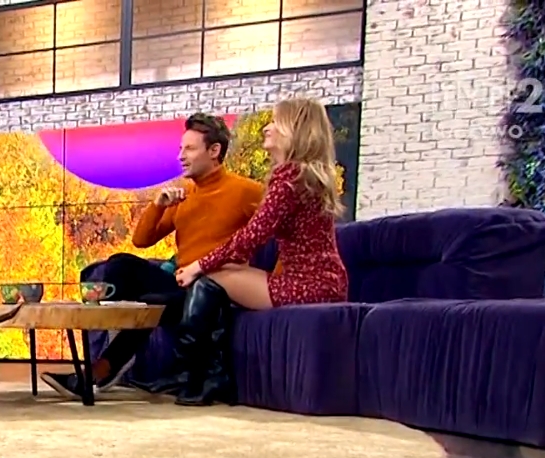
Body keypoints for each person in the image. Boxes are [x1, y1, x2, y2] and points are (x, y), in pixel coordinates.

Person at [42, 112, 264, 400]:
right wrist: (158, 205)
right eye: (181, 149)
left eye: (190, 149)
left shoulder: (246, 191)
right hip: (181, 281)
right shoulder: (184, 194)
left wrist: (273, 280)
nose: (181, 156)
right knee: (121, 265)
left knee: (157, 301)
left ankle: (99, 371)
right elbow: (142, 240)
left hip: (215, 288)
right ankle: (112, 331)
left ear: (214, 151)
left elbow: (285, 230)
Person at [171, 97, 350, 406]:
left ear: (293, 131)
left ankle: (199, 375)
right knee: (223, 273)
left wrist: (198, 265)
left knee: (210, 277)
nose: (267, 127)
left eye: (276, 122)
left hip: (308, 285)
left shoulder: (289, 178)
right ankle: (207, 376)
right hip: (325, 282)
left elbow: (251, 238)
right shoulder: (304, 174)